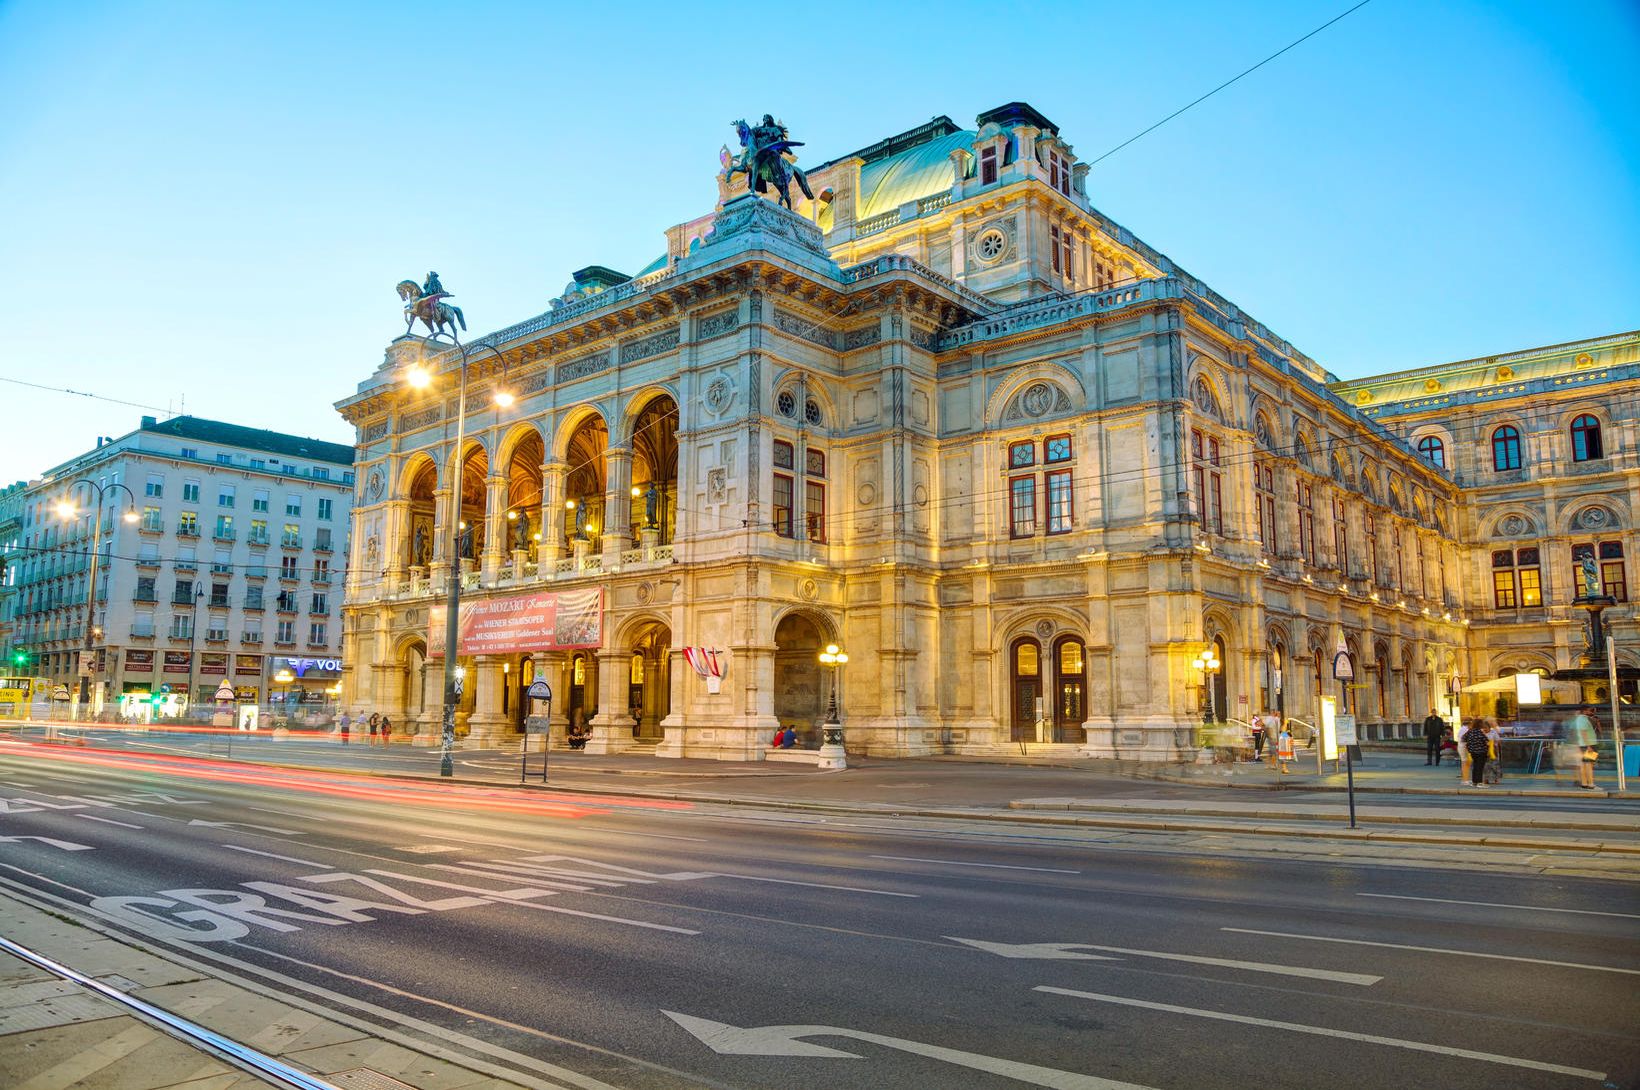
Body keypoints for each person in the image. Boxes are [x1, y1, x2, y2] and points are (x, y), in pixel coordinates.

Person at [1566, 708, 1598, 790]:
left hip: (1583, 744)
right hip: (1588, 745)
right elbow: (1583, 732)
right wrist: (1588, 746)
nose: (1592, 712)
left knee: (1584, 765)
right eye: (1591, 710)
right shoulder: (1583, 719)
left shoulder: (1578, 720)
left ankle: (1584, 784)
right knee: (1589, 765)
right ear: (1585, 711)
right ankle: (1591, 784)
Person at [1465, 715, 1492, 787]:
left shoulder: (1470, 732)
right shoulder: (1480, 732)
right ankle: (1479, 782)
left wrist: (1470, 744)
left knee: (1475, 766)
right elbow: (1486, 741)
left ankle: (1474, 782)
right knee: (1480, 767)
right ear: (1480, 724)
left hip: (1472, 752)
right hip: (1481, 752)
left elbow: (1463, 738)